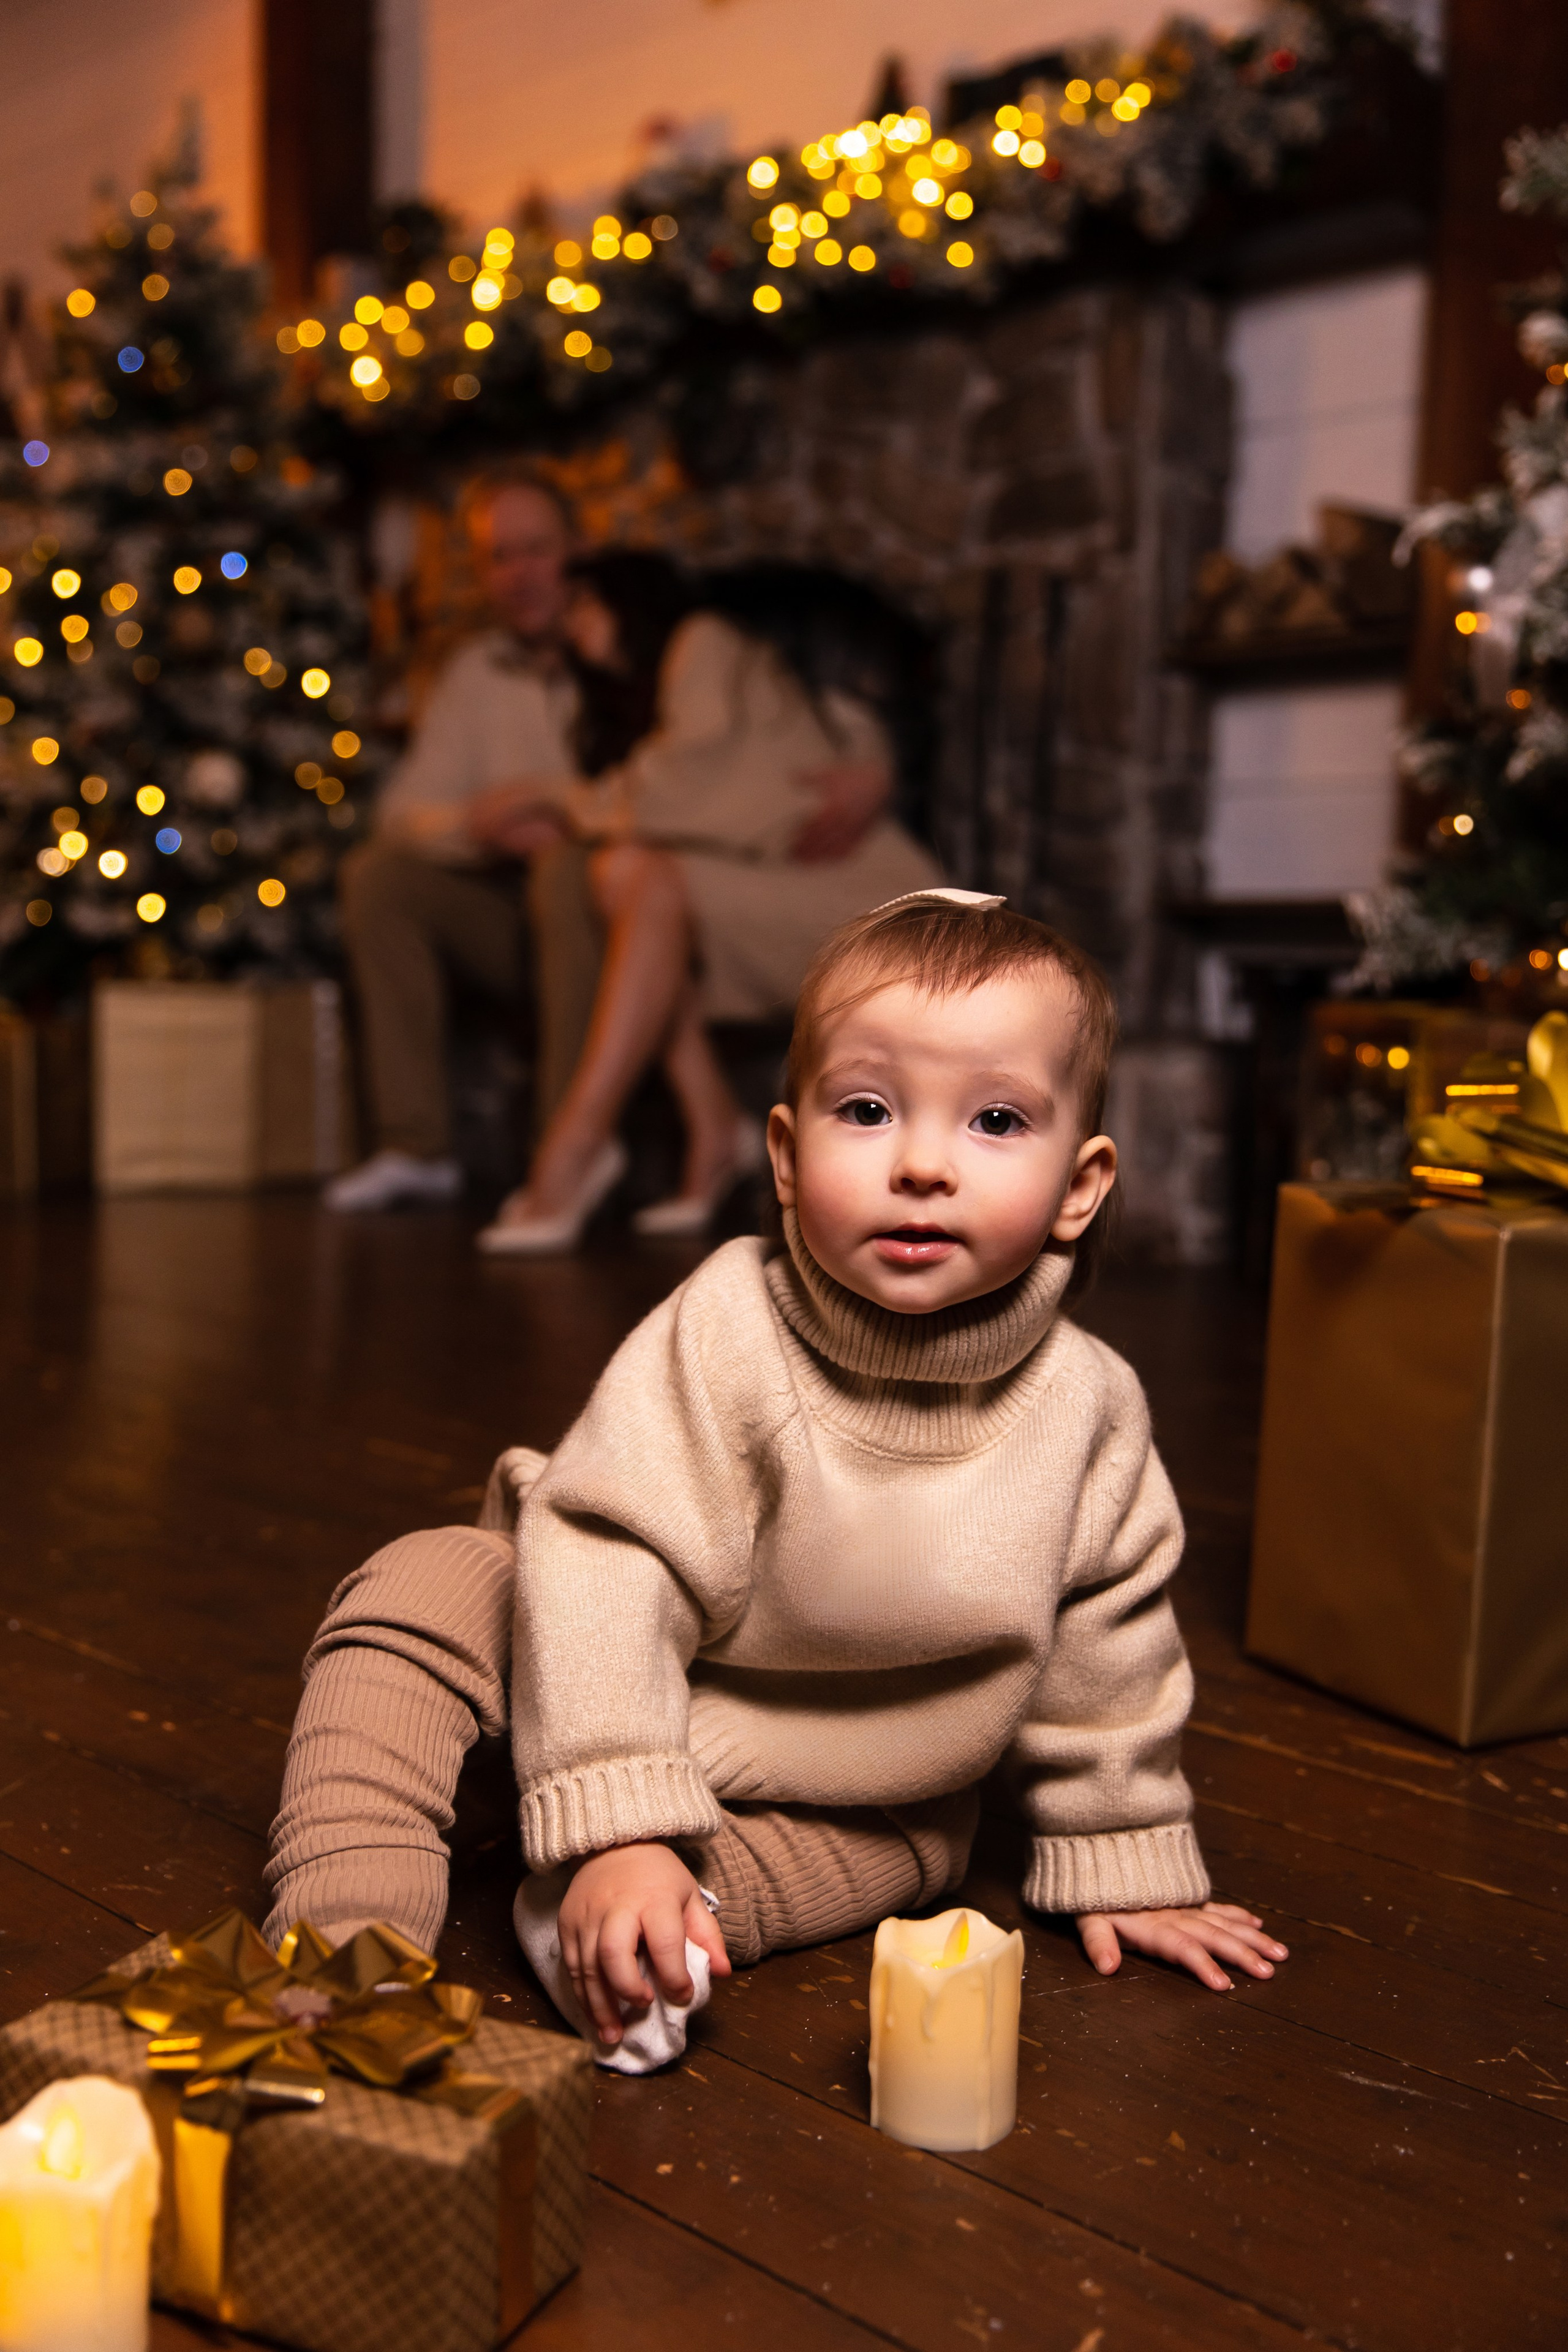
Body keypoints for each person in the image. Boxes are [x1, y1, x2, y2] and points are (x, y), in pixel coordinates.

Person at [265, 889, 1287, 2074]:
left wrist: (1125, 1857)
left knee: (913, 1855)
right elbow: (611, 1564)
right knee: (427, 1586)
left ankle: (641, 1938)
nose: (921, 1165)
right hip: (600, 1680)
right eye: (868, 1110)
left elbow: (1113, 1656)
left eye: (997, 1121)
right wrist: (620, 1821)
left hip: (855, 1785)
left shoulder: (1089, 1410)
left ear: (1079, 1186)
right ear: (790, 1159)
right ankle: (348, 1938)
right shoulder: (729, 1331)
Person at [475, 555, 944, 1253]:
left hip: (870, 896)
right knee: (631, 877)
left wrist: (548, 798)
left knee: (634, 877)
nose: (572, 626)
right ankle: (711, 1127)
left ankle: (580, 1143)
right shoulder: (662, 691)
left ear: (628, 598)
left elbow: (683, 787)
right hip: (779, 878)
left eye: (584, 605)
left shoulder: (703, 642)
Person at [325, 469, 601, 1214]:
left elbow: (659, 790)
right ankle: (416, 1147)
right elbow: (404, 812)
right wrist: (479, 825)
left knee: (567, 873)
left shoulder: (622, 651)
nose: (518, 575)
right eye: (498, 557)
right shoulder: (476, 673)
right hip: (511, 915)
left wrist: (557, 814)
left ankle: (561, 1158)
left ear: (577, 552)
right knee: (379, 877)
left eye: (536, 550)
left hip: (613, 916)